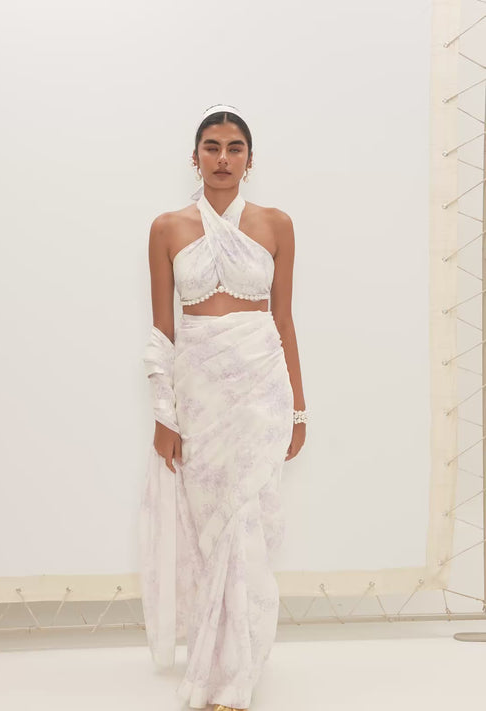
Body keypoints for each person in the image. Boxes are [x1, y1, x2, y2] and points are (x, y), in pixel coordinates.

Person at [139, 103, 307, 711]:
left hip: (262, 387)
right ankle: (213, 658)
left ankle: (238, 672)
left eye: (235, 148)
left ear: (250, 160)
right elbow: (163, 330)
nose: (223, 158)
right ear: (195, 157)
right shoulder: (167, 228)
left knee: (247, 521)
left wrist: (299, 409)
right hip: (200, 394)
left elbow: (283, 320)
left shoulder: (276, 224)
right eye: (212, 147)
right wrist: (164, 413)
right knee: (209, 525)